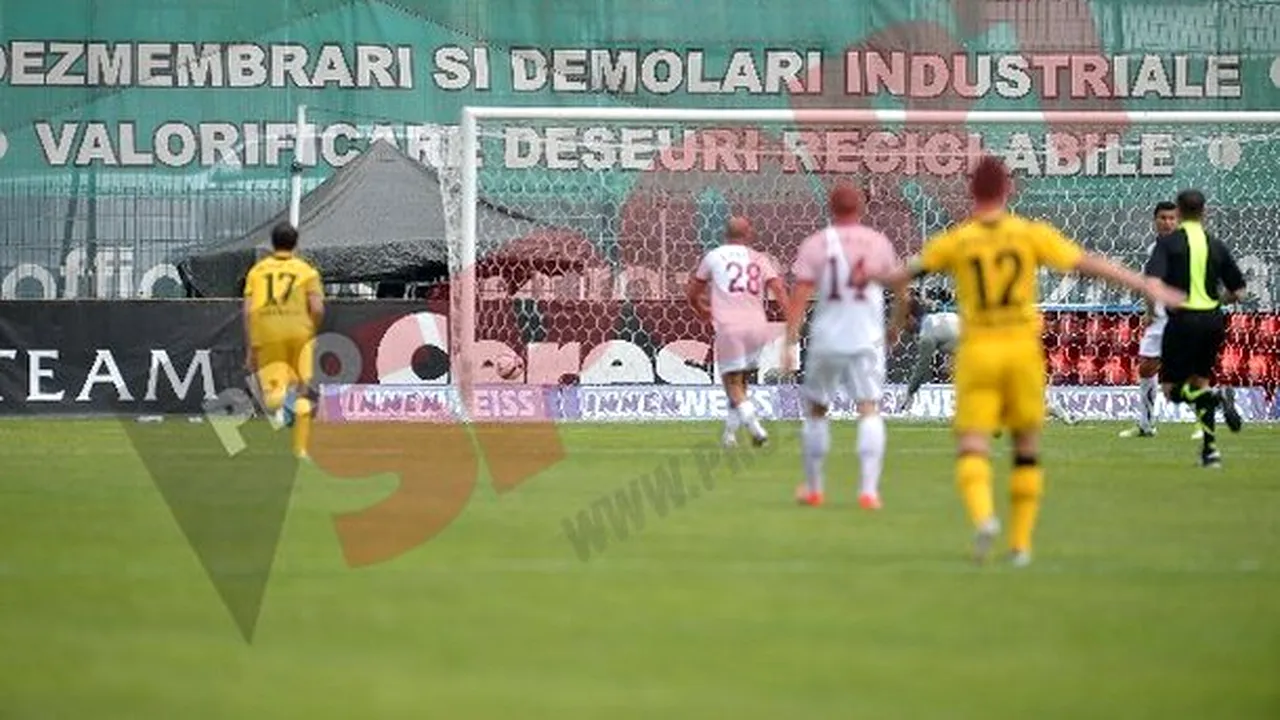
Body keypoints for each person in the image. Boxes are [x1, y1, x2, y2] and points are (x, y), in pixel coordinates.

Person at [879, 156, 1186, 566]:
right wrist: (1149, 286)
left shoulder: (957, 240)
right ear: (1008, 192)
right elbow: (1088, 265)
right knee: (1026, 447)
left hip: (977, 351)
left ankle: (985, 517)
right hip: (1021, 350)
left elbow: (900, 276)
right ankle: (1020, 545)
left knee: (972, 443)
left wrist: (895, 318)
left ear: (971, 193)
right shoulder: (1029, 234)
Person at [781, 182, 907, 510]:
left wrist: (790, 340)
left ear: (830, 207)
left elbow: (800, 295)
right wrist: (895, 324)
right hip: (866, 338)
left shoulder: (817, 243)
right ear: (862, 208)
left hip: (827, 338)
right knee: (868, 408)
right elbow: (901, 287)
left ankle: (813, 489)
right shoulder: (877, 243)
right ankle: (868, 491)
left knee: (817, 411)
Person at [1143, 189, 1246, 468]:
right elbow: (1238, 291)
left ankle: (1213, 398)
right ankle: (1210, 451)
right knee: (1200, 380)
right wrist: (1214, 301)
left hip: (1182, 321)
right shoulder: (1216, 244)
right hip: (1213, 321)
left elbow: (1151, 282)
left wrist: (1155, 308)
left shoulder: (1168, 244)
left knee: (1172, 391)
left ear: (1179, 210)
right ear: (1205, 212)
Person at [897, 293, 1078, 426]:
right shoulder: (935, 319)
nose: (902, 327)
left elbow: (922, 367)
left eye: (902, 321)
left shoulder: (927, 334)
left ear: (910, 318)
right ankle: (1048, 408)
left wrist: (909, 393)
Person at [687, 216, 789, 448]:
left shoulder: (713, 257)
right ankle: (729, 436)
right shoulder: (759, 259)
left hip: (730, 327)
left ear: (726, 234)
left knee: (731, 383)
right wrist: (791, 318)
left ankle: (756, 429)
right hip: (756, 327)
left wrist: (702, 310)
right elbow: (779, 290)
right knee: (742, 383)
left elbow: (692, 292)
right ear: (748, 233)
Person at [243, 221, 325, 459]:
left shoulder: (258, 272)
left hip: (268, 332)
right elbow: (317, 308)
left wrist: (251, 346)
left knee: (273, 393)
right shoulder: (306, 271)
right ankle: (300, 450)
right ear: (296, 244)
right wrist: (311, 328)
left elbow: (248, 311)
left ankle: (278, 401)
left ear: (272, 243)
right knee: (301, 391)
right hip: (299, 332)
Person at [1119, 201, 1181, 439]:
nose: (1167, 222)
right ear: (1155, 221)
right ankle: (1146, 425)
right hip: (1160, 317)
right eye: (1163, 218)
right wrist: (1149, 311)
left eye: (1171, 218)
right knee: (1146, 367)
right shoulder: (1153, 248)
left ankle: (1215, 405)